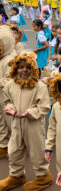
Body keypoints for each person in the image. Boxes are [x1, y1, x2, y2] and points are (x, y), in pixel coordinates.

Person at [0, 53, 53, 190]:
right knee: (14, 150)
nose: (24, 70)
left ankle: (43, 176)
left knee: (37, 151)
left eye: (28, 67)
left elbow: (44, 106)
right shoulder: (10, 85)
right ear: (15, 68)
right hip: (16, 123)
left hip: (33, 124)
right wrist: (11, 108)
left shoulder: (39, 86)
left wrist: (29, 113)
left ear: (33, 69)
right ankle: (16, 176)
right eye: (21, 67)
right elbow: (7, 101)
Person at [0, 26, 17, 159]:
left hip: (9, 96)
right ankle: (3, 144)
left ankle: (18, 146)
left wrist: (1, 81)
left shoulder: (10, 59)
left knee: (11, 121)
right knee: (1, 121)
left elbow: (12, 79)